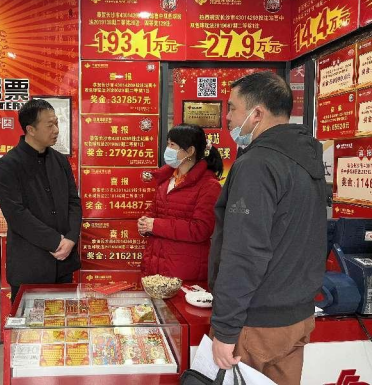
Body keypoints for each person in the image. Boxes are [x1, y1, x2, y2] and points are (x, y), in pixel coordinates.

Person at [208, 72, 327, 385]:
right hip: (297, 317)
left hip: (256, 324)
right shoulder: (306, 159)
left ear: (256, 114)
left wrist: (225, 329)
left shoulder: (257, 164)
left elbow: (244, 252)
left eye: (232, 108)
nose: (227, 118)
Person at [0, 99, 82, 303]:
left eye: (56, 123)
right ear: (31, 130)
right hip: (30, 266)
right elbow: (16, 214)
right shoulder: (8, 165)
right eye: (50, 125)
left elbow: (73, 202)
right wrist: (55, 242)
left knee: (64, 318)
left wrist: (70, 239)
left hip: (63, 264)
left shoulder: (60, 161)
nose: (56, 130)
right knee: (27, 321)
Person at [139, 124, 223, 281]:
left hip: (185, 270)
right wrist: (145, 223)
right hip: (156, 266)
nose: (168, 149)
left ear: (190, 151)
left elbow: (201, 229)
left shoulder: (209, 185)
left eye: (173, 145)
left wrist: (155, 225)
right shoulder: (166, 180)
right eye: (168, 144)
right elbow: (154, 213)